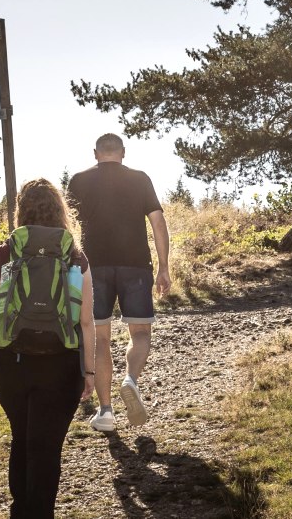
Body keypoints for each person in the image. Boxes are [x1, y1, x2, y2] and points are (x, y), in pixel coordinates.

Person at [0, 178, 96, 519]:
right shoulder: (75, 256)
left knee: (22, 436)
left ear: (20, 211)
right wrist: (89, 371)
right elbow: (85, 322)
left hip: (11, 362)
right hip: (62, 362)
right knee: (47, 446)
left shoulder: (4, 253)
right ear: (61, 211)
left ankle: (20, 511)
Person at [66, 133, 171, 432]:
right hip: (135, 264)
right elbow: (158, 222)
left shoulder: (78, 181)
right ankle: (131, 380)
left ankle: (106, 411)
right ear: (123, 153)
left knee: (99, 338)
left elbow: (66, 226)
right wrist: (164, 267)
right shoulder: (140, 179)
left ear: (95, 153)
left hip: (91, 267)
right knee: (140, 331)